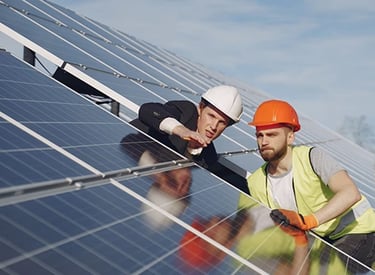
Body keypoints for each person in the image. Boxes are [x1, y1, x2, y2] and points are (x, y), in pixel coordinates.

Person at [238, 99, 375, 273]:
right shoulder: (256, 182)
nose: (264, 141)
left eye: (272, 135)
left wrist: (307, 221)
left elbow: (350, 192)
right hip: (319, 242)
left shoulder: (311, 158)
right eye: (259, 135)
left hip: (357, 230)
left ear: (290, 136)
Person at [130, 85, 249, 194]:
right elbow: (148, 110)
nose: (213, 126)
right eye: (211, 116)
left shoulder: (209, 157)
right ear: (200, 108)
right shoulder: (186, 112)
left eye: (222, 122)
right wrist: (182, 131)